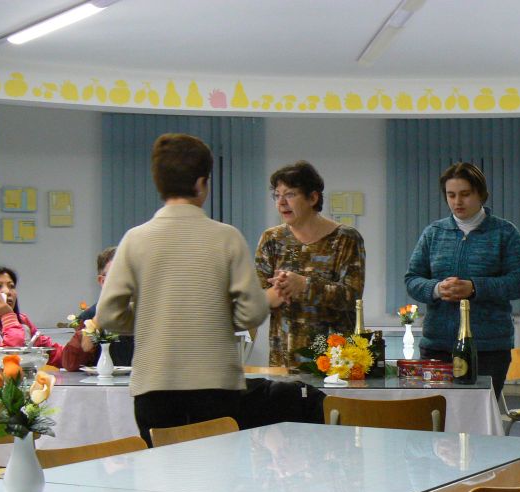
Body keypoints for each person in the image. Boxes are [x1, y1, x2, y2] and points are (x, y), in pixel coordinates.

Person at [96, 133, 269, 444]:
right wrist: (214, 318)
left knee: (162, 470)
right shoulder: (227, 237)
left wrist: (154, 320)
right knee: (219, 470)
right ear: (202, 183)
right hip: (216, 381)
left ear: (158, 183)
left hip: (155, 381)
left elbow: (108, 314)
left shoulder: (135, 239)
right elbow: (254, 311)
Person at [405, 162, 520, 399]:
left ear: (481, 194)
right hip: (438, 346)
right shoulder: (433, 233)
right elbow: (412, 280)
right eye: (451, 195)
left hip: (489, 348)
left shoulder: (505, 233)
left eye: (465, 194)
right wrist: (437, 289)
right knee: (437, 413)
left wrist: (474, 288)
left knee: (478, 414)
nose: (457, 202)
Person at [255, 160, 365, 368]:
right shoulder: (272, 239)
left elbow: (352, 297)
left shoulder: (345, 238)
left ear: (313, 198)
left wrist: (305, 285)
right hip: (284, 362)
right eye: (277, 195)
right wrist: (278, 291)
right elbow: (256, 300)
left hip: (335, 362)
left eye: (289, 194)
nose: (281, 202)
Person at [0, 265, 63, 369]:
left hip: (22, 378)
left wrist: (71, 352)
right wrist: (8, 317)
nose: (7, 291)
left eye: (11, 286)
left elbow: (50, 353)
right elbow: (6, 361)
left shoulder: (21, 320)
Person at [62, 246, 134, 371]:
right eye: (117, 276)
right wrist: (93, 327)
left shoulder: (151, 314)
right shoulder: (88, 317)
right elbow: (71, 365)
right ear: (102, 281)